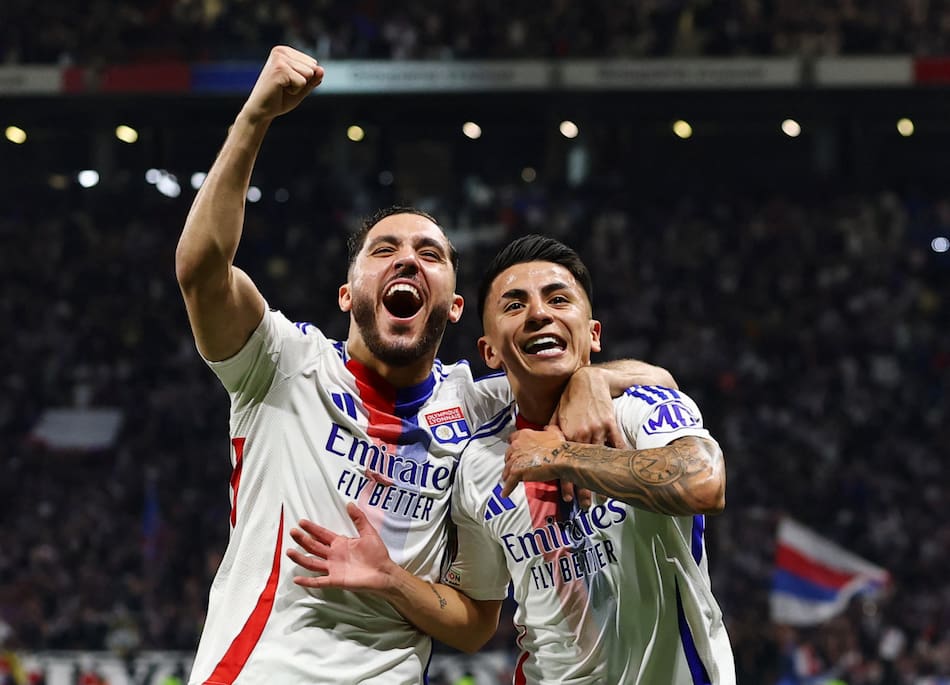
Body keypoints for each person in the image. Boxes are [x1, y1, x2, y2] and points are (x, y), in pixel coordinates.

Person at [175, 46, 675, 684]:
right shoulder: (282, 365)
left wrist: (589, 378)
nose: (408, 260)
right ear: (347, 294)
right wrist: (254, 117)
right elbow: (202, 271)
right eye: (384, 250)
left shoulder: (476, 407)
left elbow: (657, 381)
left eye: (430, 255)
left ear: (456, 307)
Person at [289, 235, 736, 683]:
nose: (539, 314)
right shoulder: (478, 461)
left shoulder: (642, 408)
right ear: (490, 352)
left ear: (593, 334)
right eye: (515, 305)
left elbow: (704, 484)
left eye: (558, 299)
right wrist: (391, 577)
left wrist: (563, 454)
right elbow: (474, 622)